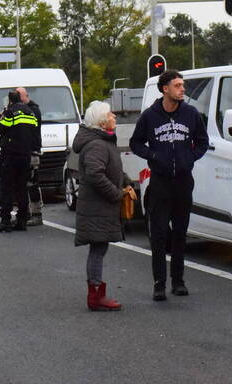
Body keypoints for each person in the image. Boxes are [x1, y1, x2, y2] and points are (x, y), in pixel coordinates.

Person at [129, 69, 208, 301]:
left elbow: (202, 142)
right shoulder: (150, 116)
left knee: (180, 234)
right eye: (177, 85)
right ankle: (159, 283)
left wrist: (189, 157)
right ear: (165, 89)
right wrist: (153, 155)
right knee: (160, 234)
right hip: (160, 183)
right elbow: (135, 143)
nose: (182, 89)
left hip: (183, 182)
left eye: (182, 85)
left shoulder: (191, 114)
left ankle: (179, 280)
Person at [74, 101, 134, 311]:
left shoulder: (103, 141)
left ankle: (97, 293)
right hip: (97, 208)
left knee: (99, 248)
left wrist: (126, 181)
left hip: (98, 207)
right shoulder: (98, 145)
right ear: (101, 122)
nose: (114, 117)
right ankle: (96, 295)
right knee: (98, 249)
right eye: (110, 115)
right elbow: (95, 174)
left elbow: (110, 169)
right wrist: (116, 194)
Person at [0, 88, 40, 233]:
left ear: (10, 100)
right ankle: (22, 220)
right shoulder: (30, 112)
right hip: (25, 155)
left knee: (7, 189)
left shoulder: (10, 112)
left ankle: (5, 221)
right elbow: (34, 129)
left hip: (10, 155)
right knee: (21, 189)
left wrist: (0, 115)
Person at [17, 86, 45, 226]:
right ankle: (26, 213)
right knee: (22, 184)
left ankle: (36, 214)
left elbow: (28, 127)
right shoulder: (23, 110)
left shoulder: (33, 110)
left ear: (24, 96)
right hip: (21, 151)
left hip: (32, 151)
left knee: (32, 183)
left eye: (19, 96)